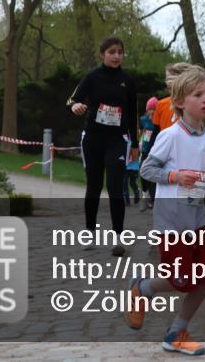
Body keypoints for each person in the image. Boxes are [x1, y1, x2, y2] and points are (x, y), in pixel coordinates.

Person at [127, 66, 205, 355]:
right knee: (180, 279)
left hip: (196, 219)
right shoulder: (170, 135)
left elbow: (204, 175)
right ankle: (142, 288)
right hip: (172, 220)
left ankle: (177, 332)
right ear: (179, 102)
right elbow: (147, 169)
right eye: (198, 94)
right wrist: (175, 177)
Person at [67, 36, 138, 256]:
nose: (117, 56)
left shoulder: (128, 79)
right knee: (94, 186)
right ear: (102, 54)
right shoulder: (92, 77)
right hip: (93, 138)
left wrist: (134, 143)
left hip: (117, 139)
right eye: (112, 52)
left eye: (120, 52)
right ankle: (89, 232)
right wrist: (76, 105)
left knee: (116, 185)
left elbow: (133, 113)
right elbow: (72, 100)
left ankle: (118, 238)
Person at [143, 63, 196, 212]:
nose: (168, 82)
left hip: (187, 150)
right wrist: (150, 150)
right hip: (166, 150)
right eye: (166, 78)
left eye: (172, 77)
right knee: (165, 183)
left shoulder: (193, 101)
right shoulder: (161, 104)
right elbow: (156, 130)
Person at [139, 97, 158, 209]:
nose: (152, 111)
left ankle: (153, 201)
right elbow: (141, 132)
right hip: (146, 150)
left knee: (154, 177)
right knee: (143, 172)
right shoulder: (143, 120)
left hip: (156, 152)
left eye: (154, 109)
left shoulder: (158, 121)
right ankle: (145, 194)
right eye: (150, 109)